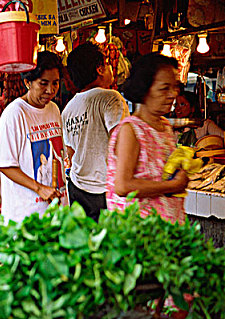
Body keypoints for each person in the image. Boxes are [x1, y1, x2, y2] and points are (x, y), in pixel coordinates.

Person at [106, 53, 189, 224]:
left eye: (175, 87)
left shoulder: (165, 126)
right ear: (145, 89)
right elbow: (123, 186)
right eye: (164, 88)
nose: (173, 94)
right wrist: (172, 186)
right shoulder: (131, 130)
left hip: (166, 230)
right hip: (140, 234)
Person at [0, 51, 66, 223]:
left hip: (56, 211)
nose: (50, 90)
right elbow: (4, 164)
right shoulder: (14, 114)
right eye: (43, 84)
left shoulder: (54, 109)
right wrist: (39, 188)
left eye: (55, 83)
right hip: (26, 216)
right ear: (27, 83)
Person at [61, 42, 130, 221]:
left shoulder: (68, 109)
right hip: (106, 190)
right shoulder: (110, 97)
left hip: (77, 188)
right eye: (107, 64)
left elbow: (69, 151)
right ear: (100, 69)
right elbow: (121, 142)